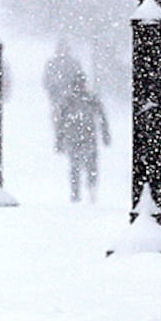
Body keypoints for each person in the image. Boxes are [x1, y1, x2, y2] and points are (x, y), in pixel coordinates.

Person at [43, 42, 110, 202]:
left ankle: (77, 194)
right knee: (89, 165)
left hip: (76, 136)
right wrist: (105, 134)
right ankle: (88, 191)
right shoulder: (88, 98)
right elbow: (101, 116)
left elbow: (61, 122)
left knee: (76, 166)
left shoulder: (70, 100)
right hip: (87, 135)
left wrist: (59, 139)